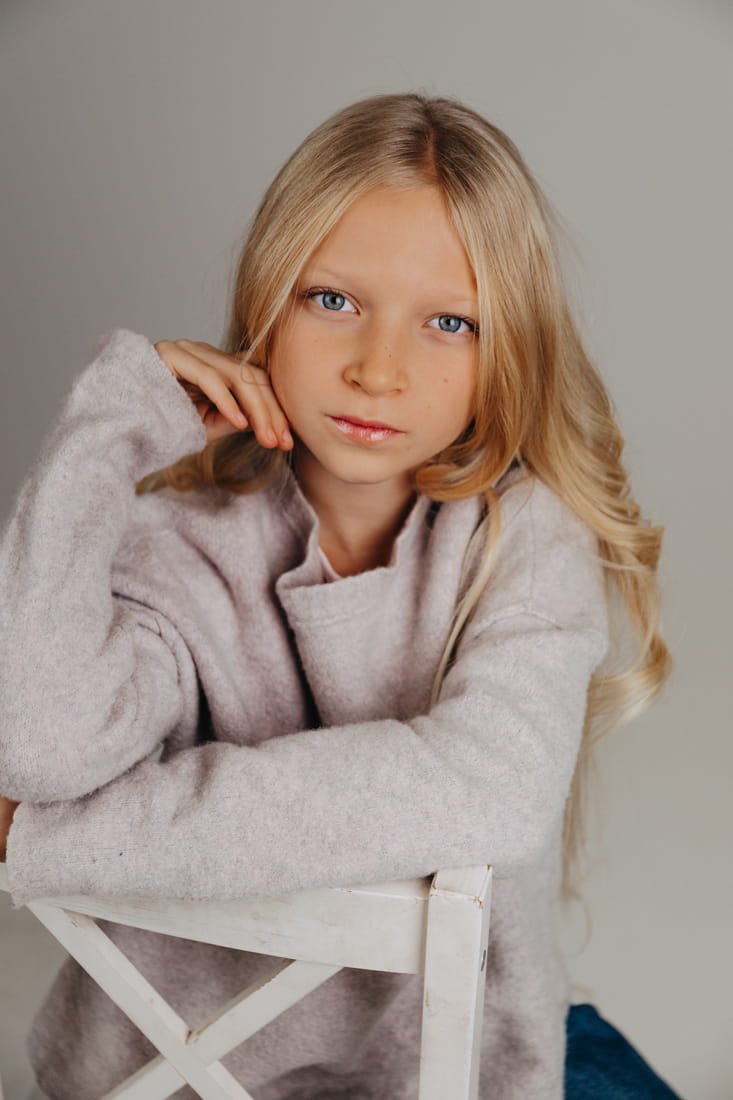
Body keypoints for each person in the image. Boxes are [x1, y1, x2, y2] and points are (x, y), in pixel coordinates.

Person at [0, 92, 682, 1099]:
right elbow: (36, 747)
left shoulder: (525, 535)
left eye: (449, 322)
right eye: (332, 300)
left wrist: (54, 840)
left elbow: (485, 786)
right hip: (187, 1069)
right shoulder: (178, 541)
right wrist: (109, 428)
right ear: (266, 306)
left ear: (507, 354)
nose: (378, 369)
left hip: (460, 1064)